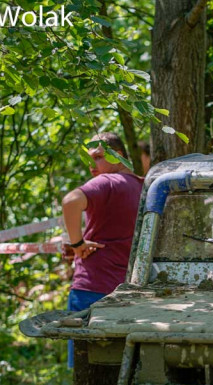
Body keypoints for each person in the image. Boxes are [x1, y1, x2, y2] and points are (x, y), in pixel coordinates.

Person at [60, 132, 143, 367]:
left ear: (119, 156)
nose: (91, 166)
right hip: (130, 293)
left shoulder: (106, 182)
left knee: (86, 373)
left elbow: (70, 201)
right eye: (88, 160)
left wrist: (77, 244)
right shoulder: (144, 186)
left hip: (92, 288)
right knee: (124, 369)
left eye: (97, 157)